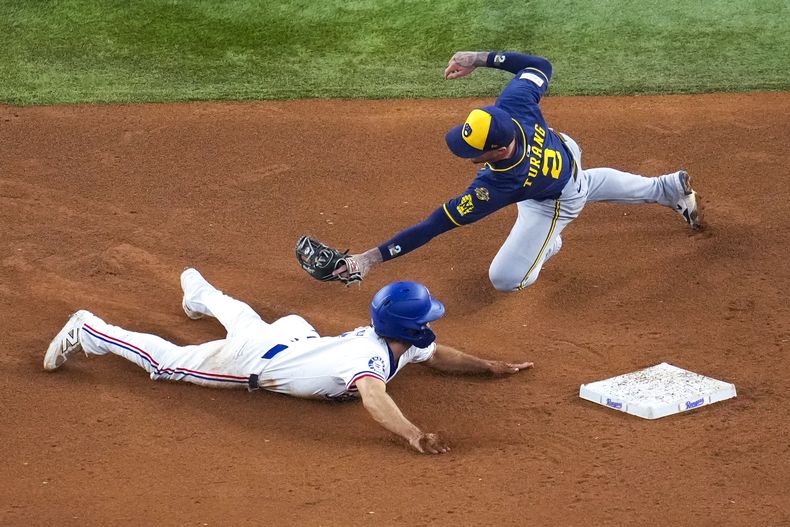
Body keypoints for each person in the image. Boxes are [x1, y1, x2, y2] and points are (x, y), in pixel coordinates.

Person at [43, 268, 533, 454]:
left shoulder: (397, 341)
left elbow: (440, 355)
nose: (430, 325)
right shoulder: (369, 357)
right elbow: (373, 396)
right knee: (168, 364)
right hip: (252, 361)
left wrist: (491, 366)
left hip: (297, 337)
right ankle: (91, 330)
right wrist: (412, 433)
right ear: (407, 327)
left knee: (247, 320)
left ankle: (200, 292)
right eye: (425, 318)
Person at [327, 50, 703, 292]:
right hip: (563, 150)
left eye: (473, 150)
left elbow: (435, 224)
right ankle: (665, 188)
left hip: (555, 198)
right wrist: (478, 58)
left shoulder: (498, 184)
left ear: (497, 150)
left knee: (506, 279)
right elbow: (541, 66)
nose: (466, 153)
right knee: (581, 179)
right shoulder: (514, 105)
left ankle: (548, 243)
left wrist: (369, 259)